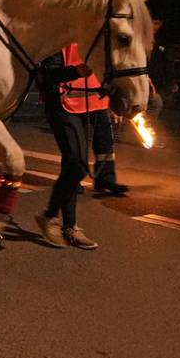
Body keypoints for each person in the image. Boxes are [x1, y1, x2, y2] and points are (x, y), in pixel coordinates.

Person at [32, 45, 105, 251]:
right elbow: (46, 76)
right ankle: (49, 216)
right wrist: (76, 71)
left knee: (72, 166)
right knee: (77, 163)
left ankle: (70, 227)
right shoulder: (60, 39)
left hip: (87, 103)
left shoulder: (93, 38)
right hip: (62, 104)